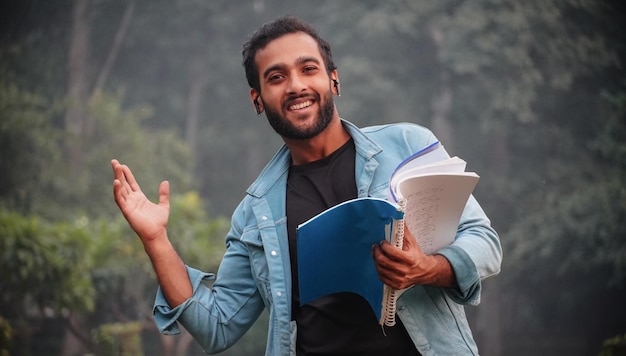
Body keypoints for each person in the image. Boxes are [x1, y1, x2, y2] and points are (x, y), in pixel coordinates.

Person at [111, 16, 502, 356]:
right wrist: (156, 240)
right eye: (276, 77)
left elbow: (484, 243)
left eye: (308, 69)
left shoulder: (407, 146)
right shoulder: (256, 212)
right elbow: (217, 328)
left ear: (333, 79)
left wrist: (426, 268)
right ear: (258, 99)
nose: (295, 85)